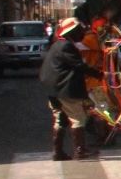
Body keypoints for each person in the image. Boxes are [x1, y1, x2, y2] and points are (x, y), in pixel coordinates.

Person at [40, 18, 101, 160]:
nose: (82, 33)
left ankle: (58, 151)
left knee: (60, 118)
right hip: (64, 88)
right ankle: (80, 151)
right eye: (79, 30)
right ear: (72, 32)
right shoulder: (66, 46)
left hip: (53, 89)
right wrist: (98, 74)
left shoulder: (58, 45)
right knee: (78, 118)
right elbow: (79, 66)